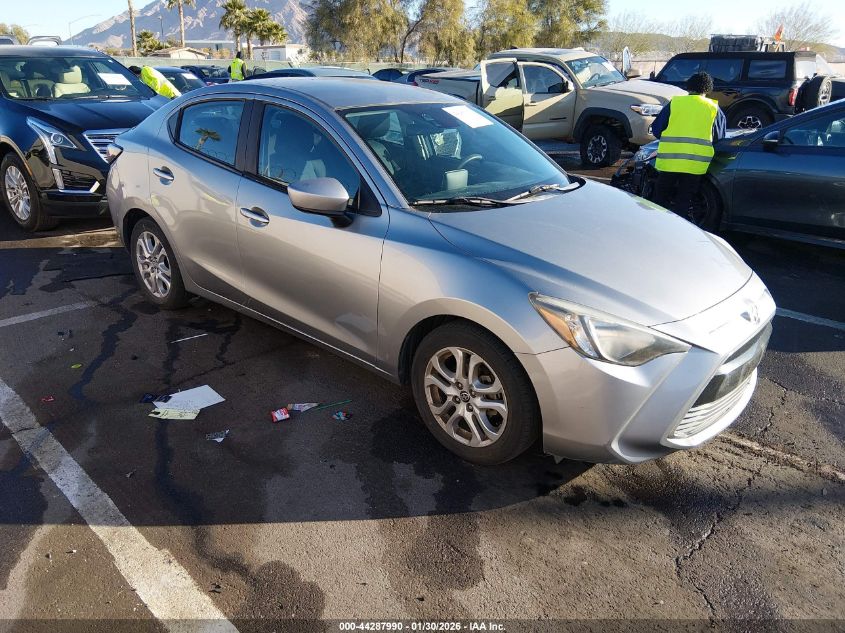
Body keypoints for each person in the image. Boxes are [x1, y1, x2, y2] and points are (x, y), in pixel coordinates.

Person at [651, 71, 726, 219]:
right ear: (708, 89)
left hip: (669, 162)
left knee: (660, 199)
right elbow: (719, 137)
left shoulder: (675, 103)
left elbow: (657, 130)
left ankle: (655, 227)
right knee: (684, 200)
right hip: (695, 164)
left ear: (689, 87)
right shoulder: (713, 108)